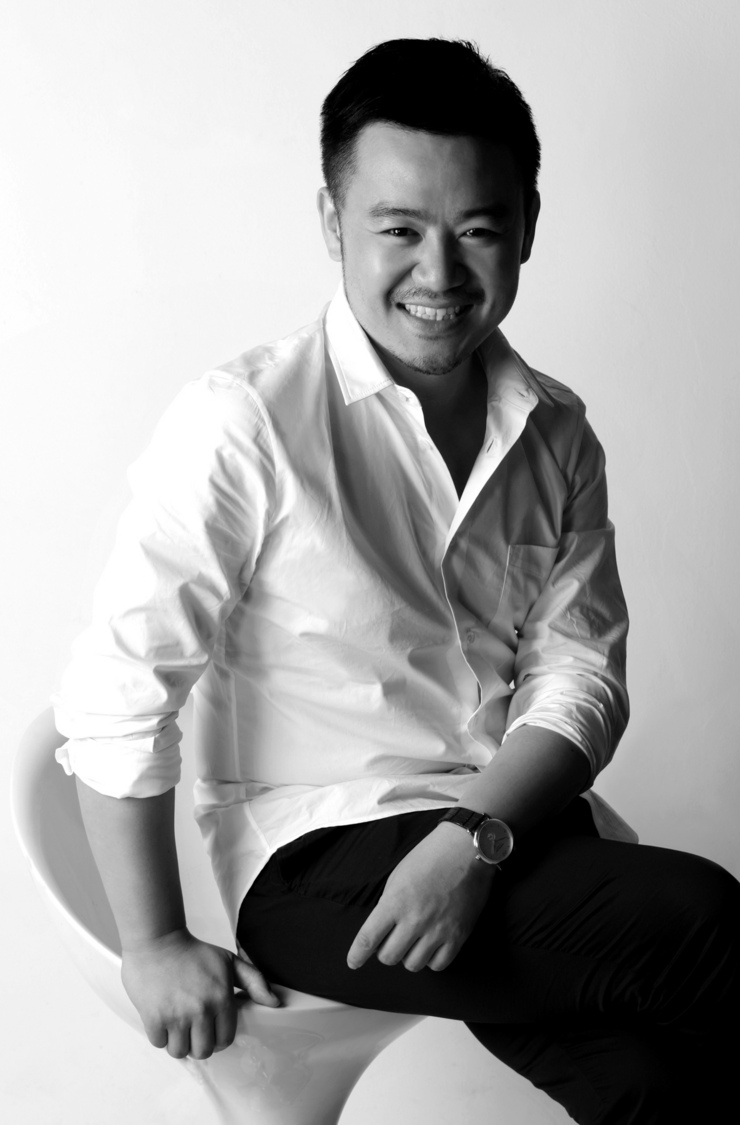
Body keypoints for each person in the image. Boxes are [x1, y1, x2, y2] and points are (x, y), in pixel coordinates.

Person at [53, 38, 738, 1124]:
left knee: (652, 1084)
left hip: (503, 834)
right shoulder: (245, 422)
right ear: (333, 223)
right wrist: (153, 942)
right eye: (399, 229)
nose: (439, 274)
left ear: (527, 226)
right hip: (316, 860)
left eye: (477, 229)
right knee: (704, 922)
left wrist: (472, 839)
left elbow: (580, 680)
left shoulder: (556, 433)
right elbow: (118, 692)